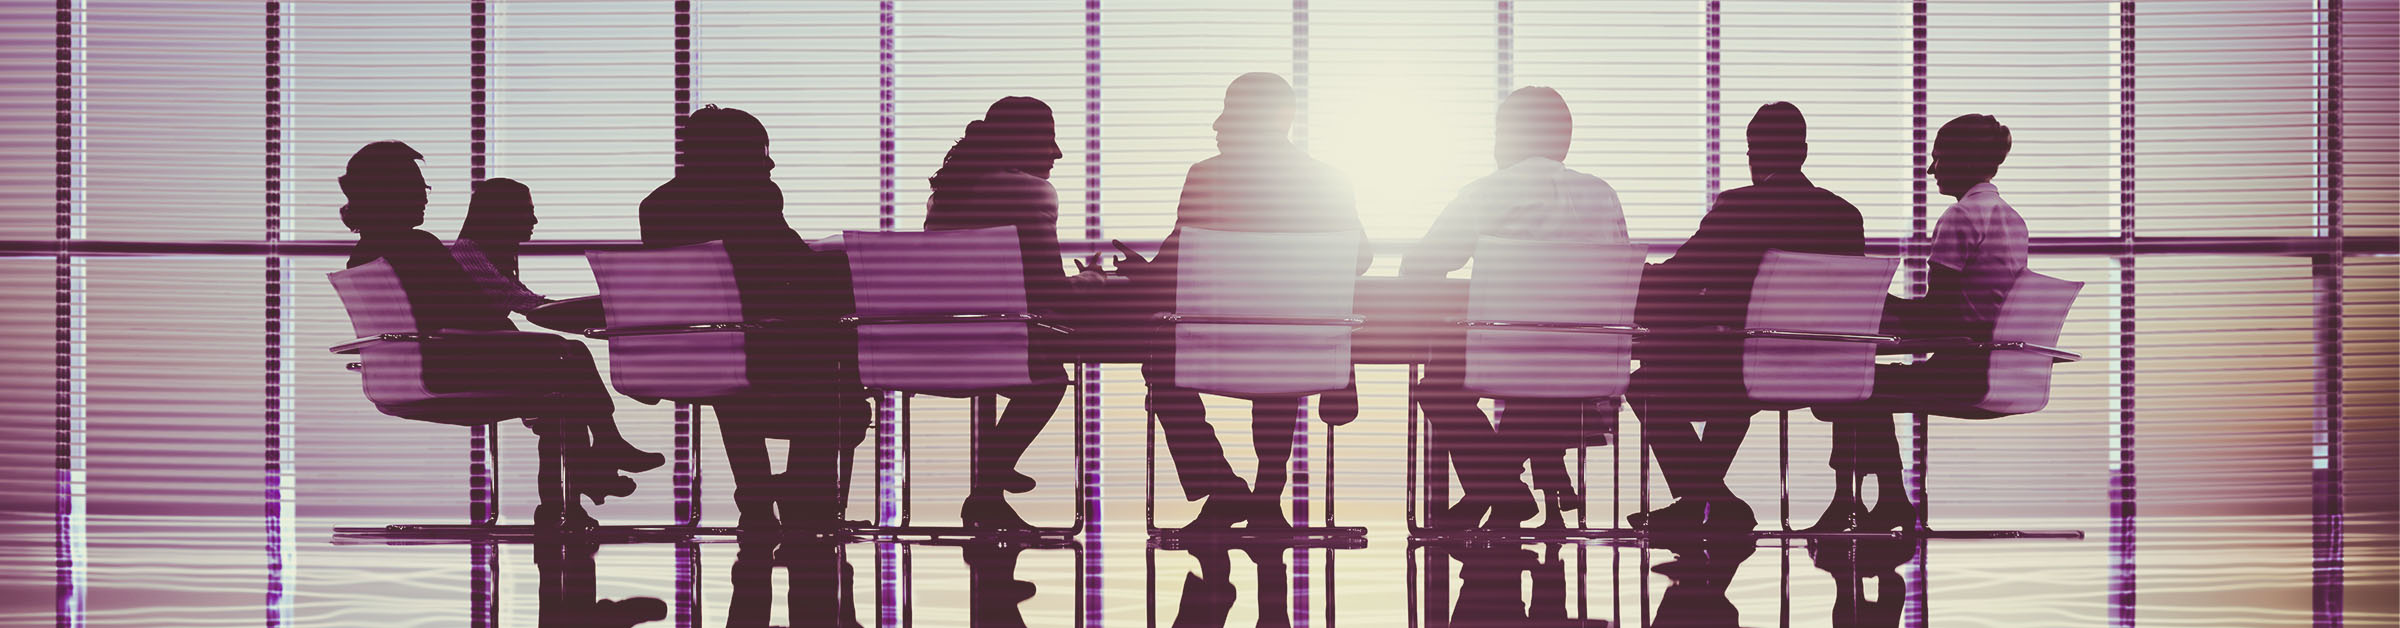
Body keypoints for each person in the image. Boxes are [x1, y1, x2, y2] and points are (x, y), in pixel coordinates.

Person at [338, 141, 650, 528]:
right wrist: (517, 337)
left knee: (558, 387)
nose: (424, 196)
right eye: (417, 186)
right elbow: (471, 311)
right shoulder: (415, 246)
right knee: (568, 356)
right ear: (390, 193)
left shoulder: (366, 253)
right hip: (448, 370)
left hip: (408, 376)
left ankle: (580, 481)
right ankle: (592, 462)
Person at [1136, 72, 1371, 529]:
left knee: (1159, 366)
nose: (1217, 123)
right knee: (1278, 355)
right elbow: (1360, 257)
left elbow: (1174, 260)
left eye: (1228, 109)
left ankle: (1223, 487)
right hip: (1298, 346)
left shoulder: (1206, 176)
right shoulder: (1328, 179)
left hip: (1220, 341)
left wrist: (1139, 274)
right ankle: (1266, 494)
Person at [1628, 102, 1865, 532]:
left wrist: (1629, 275)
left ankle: (1707, 497)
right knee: (1734, 372)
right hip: (1826, 372)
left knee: (1644, 382)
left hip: (1745, 368)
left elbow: (1682, 276)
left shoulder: (1739, 206)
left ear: (1754, 153)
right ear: (1804, 151)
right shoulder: (1845, 216)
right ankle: (1705, 500)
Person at [1402, 86, 1631, 529]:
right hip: (1592, 363)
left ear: (1508, 136)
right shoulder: (1603, 194)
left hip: (1512, 357)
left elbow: (1421, 263)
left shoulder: (1485, 193)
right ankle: (1512, 488)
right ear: (1563, 139)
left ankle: (1499, 489)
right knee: (1541, 380)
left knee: (1438, 388)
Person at [638, 105, 870, 532]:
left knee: (734, 368)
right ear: (735, 153)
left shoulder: (656, 206)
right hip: (767, 348)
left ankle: (758, 502)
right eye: (762, 151)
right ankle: (805, 492)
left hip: (693, 350)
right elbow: (786, 263)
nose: (771, 162)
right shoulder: (754, 194)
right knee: (833, 349)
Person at [1807, 114, 2023, 533]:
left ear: (1961, 159)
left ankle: (1861, 501)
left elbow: (1939, 314)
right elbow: (1959, 307)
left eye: (1938, 157)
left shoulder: (1960, 218)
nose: (1931, 169)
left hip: (1963, 367)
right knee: (1863, 386)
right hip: (1995, 365)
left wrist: (1874, 301)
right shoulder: (2011, 219)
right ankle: (1883, 499)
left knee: (1853, 386)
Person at [923, 96, 1096, 529]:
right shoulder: (1030, 189)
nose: (1057, 154)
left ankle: (989, 489)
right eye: (1049, 141)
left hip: (933, 348)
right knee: (1050, 378)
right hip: (1000, 345)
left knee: (1039, 366)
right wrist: (1095, 280)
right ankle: (988, 482)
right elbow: (1049, 287)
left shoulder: (946, 193)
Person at [452, 177, 664, 476]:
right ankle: (606, 446)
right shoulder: (467, 253)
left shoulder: (489, 253)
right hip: (471, 359)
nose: (534, 219)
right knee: (572, 356)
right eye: (526, 211)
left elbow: (521, 299)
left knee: (569, 394)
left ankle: (587, 479)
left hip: (486, 352)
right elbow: (518, 299)